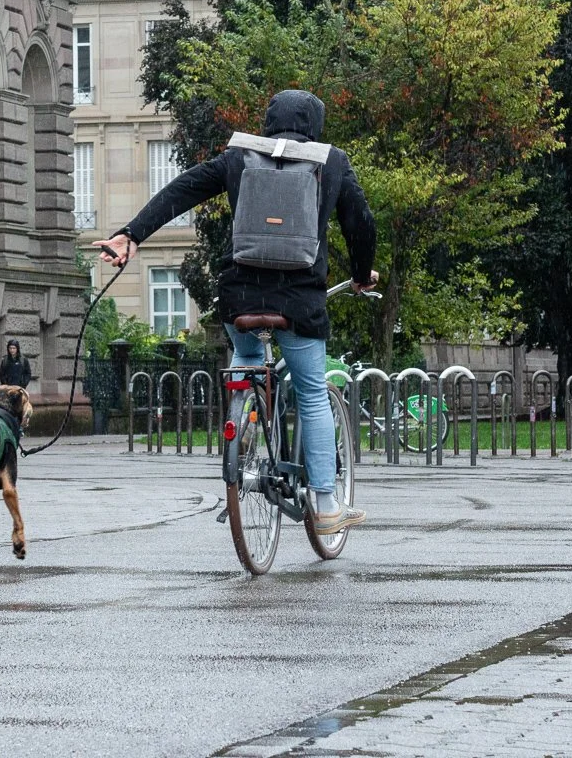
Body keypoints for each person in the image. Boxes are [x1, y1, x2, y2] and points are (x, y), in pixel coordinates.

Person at [93, 89, 378, 535]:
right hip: (301, 301)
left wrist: (131, 234)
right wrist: (361, 274)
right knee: (310, 392)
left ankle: (242, 423)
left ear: (268, 122)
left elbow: (182, 189)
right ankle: (325, 506)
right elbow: (361, 223)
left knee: (245, 358)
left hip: (239, 296)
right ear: (315, 126)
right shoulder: (332, 162)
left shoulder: (239, 157)